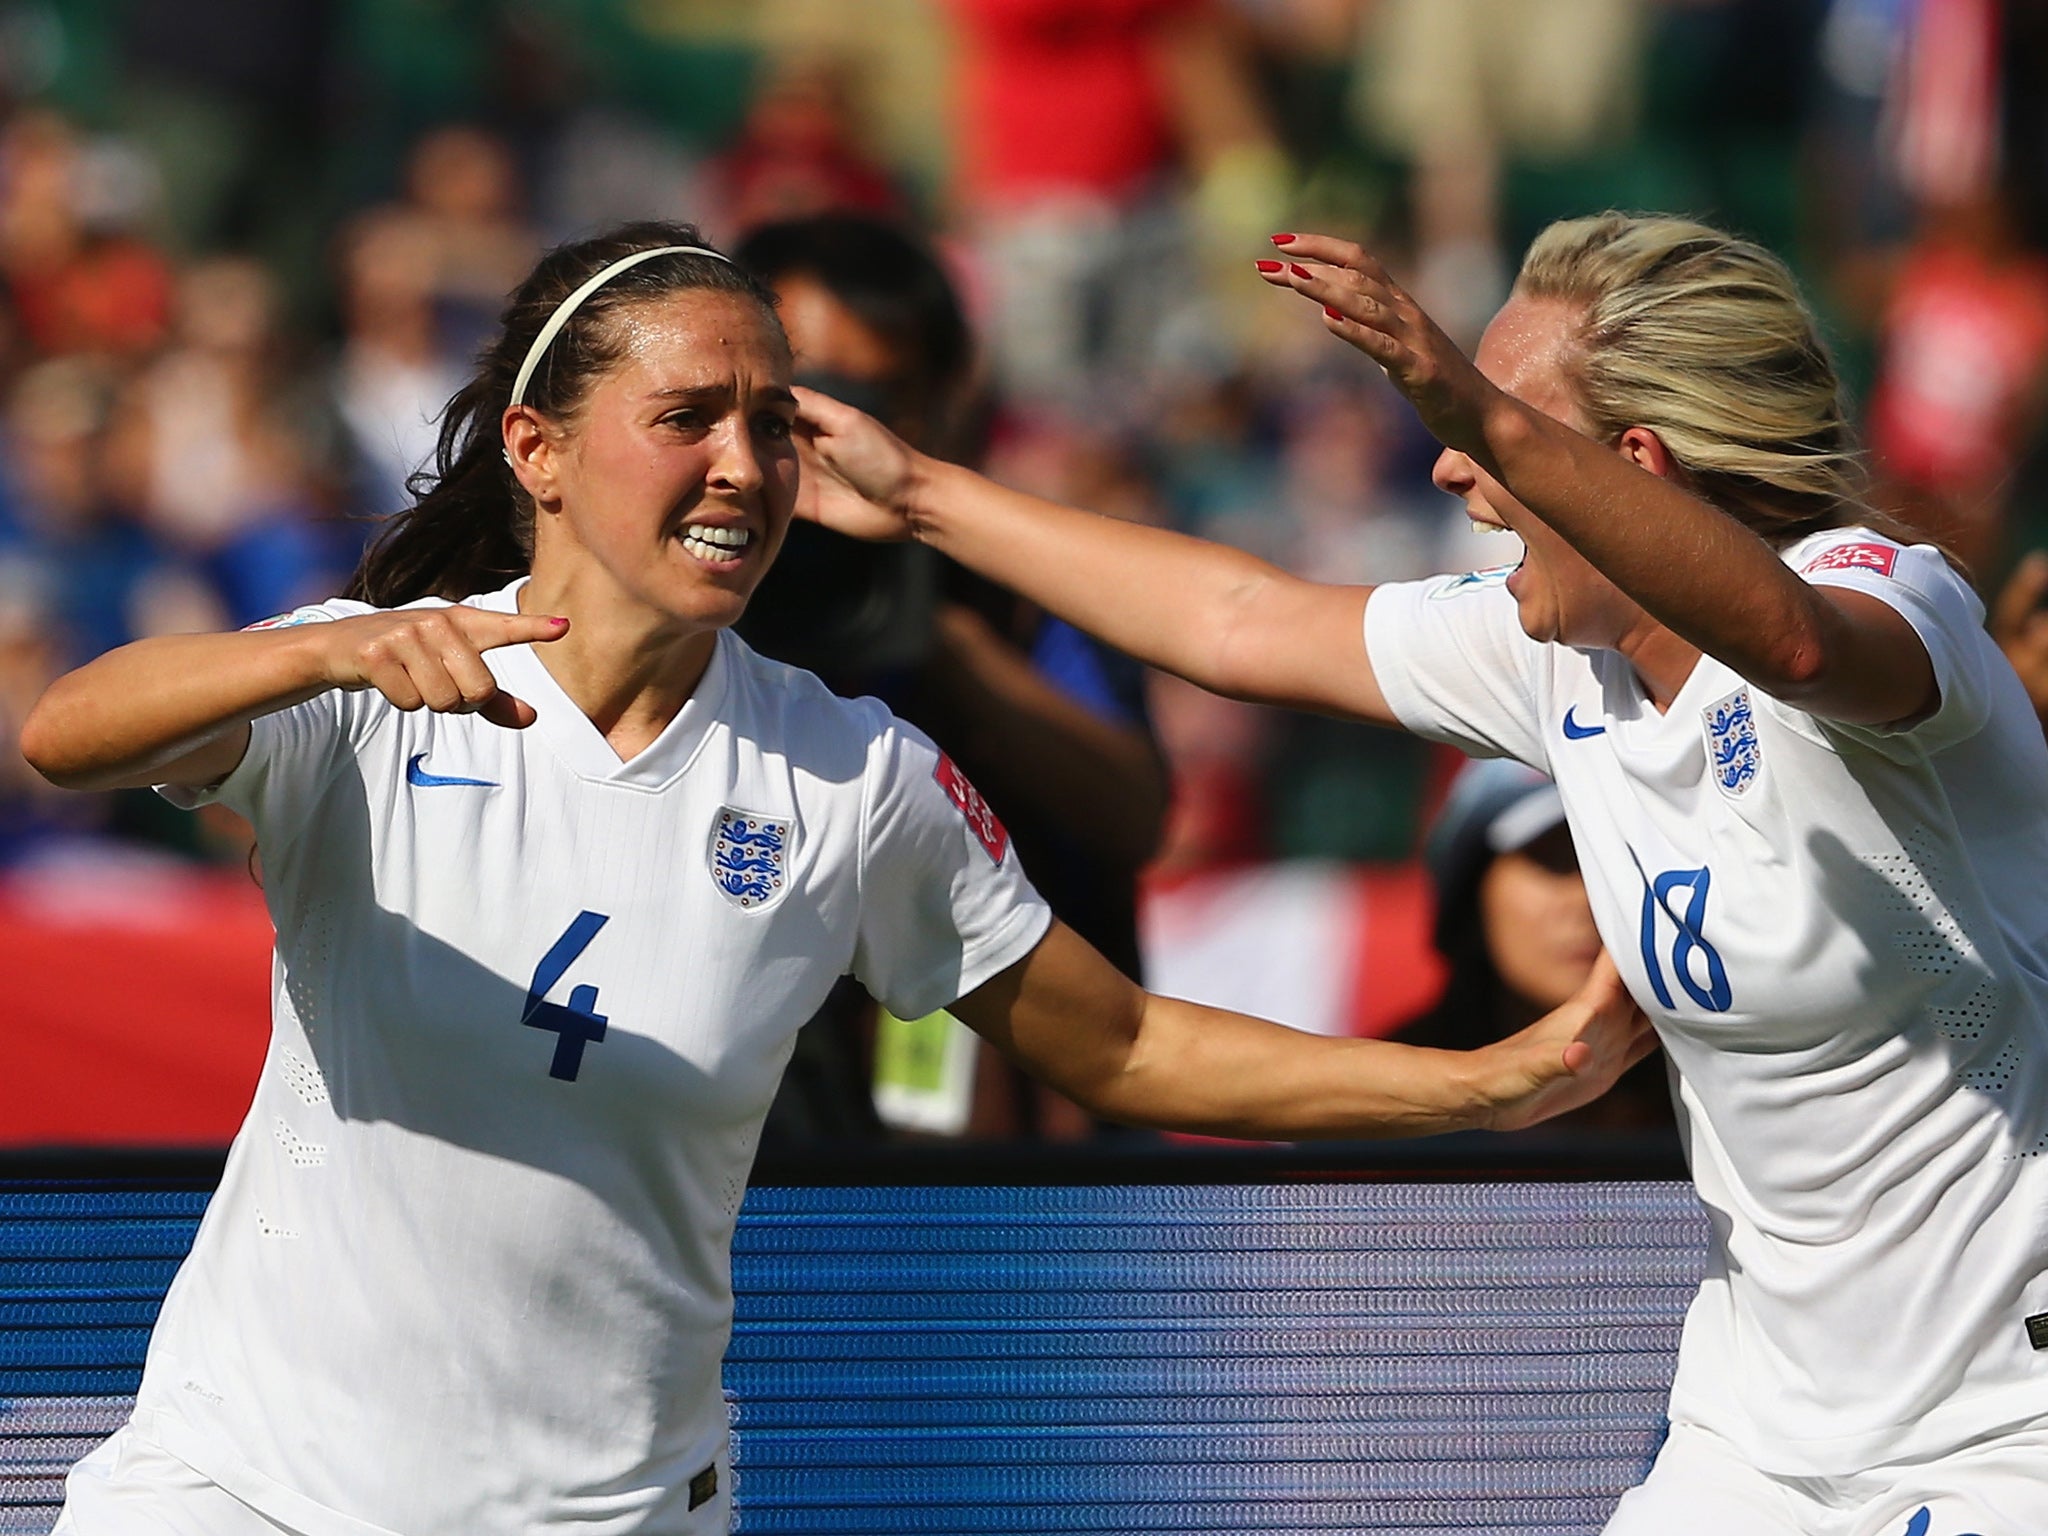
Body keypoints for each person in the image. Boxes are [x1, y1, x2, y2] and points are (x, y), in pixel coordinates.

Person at [20, 221, 1650, 1536]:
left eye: (771, 426)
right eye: (684, 420)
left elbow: (1129, 1046)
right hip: (240, 1488)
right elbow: (66, 735)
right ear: (536, 447)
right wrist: (312, 662)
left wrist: (1478, 1084)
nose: (742, 466)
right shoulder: (371, 682)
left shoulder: (850, 773)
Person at [794, 213, 2048, 1534]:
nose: (1451, 463)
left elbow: (1793, 646)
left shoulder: (1898, 612)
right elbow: (1241, 622)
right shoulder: (1569, 659)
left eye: (1492, 422)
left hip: (1997, 1437)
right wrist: (920, 497)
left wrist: (1478, 406)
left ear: (1629, 467)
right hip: (1761, 1431)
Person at [736, 212, 1168, 1140]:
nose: (830, 433)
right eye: (801, 398)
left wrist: (942, 639)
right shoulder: (695, 583)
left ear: (940, 402)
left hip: (1013, 1152)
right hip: (757, 1132)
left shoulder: (1012, 583)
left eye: (876, 396)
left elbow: (1132, 814)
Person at [1407, 757, 1674, 1134]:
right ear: (1471, 894)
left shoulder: (1741, 1090)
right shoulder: (1376, 1115)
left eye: (1622, 862)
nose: (1589, 900)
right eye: (1554, 861)